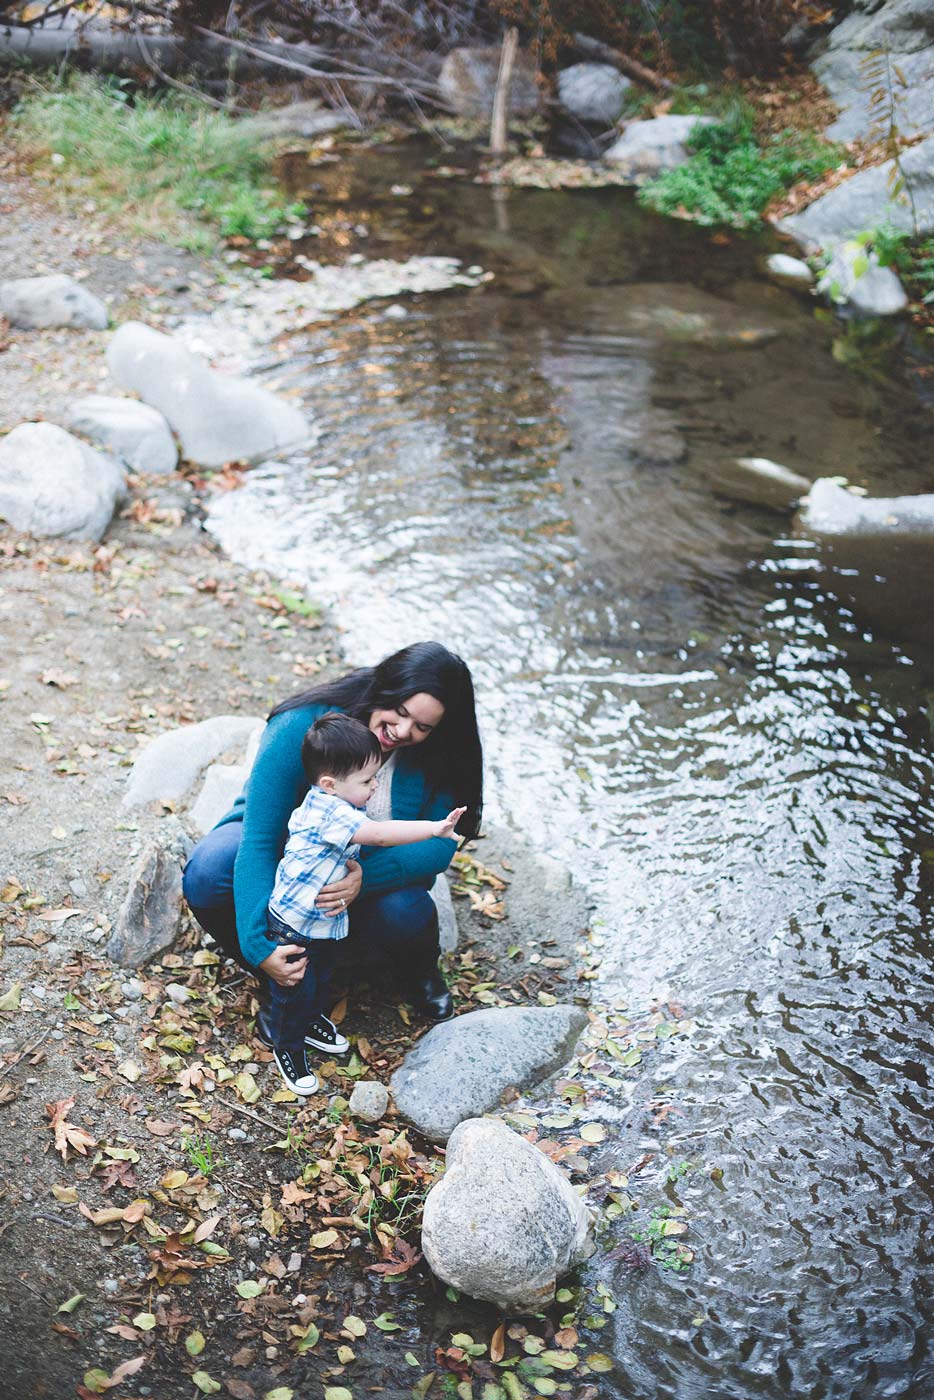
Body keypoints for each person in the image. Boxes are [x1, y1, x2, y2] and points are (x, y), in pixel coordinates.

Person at [182, 640, 483, 1047]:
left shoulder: (439, 753)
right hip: (291, 860)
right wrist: (258, 944)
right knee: (208, 872)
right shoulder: (303, 723)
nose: (405, 731)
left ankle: (417, 971)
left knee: (407, 910)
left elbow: (441, 844)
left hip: (364, 874)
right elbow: (260, 839)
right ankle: (281, 980)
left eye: (423, 727)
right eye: (401, 712)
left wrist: (362, 879)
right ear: (384, 690)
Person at [260, 710, 466, 1095]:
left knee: (320, 976)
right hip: (297, 923)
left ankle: (311, 1019)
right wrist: (435, 828)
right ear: (329, 783)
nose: (374, 787)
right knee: (295, 987)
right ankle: (287, 1046)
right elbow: (381, 834)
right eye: (367, 780)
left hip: (320, 919)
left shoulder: (336, 802)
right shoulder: (330, 812)